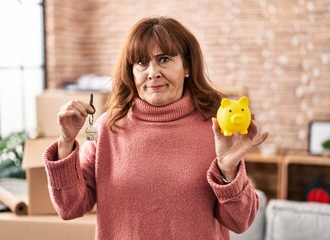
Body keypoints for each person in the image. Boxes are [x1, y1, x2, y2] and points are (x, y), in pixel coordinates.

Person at [43, 16, 268, 240]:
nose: (152, 73)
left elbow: (240, 222)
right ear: (131, 70)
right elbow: (70, 207)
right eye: (141, 62)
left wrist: (228, 170)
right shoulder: (106, 128)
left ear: (187, 66)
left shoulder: (215, 128)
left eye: (164, 59)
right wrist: (65, 142)